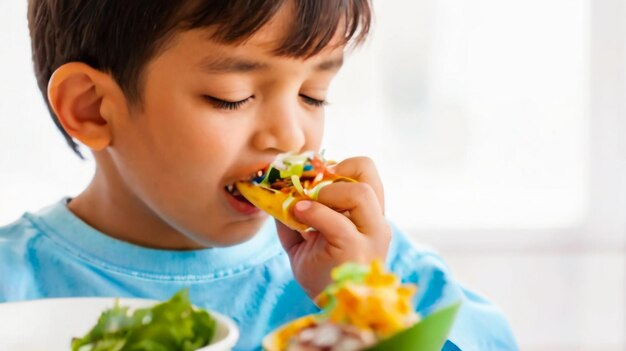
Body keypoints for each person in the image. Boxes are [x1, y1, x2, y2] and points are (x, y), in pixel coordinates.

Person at [0, 1, 518, 350]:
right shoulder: (14, 286)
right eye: (233, 96)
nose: (292, 136)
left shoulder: (376, 272)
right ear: (93, 109)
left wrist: (363, 307)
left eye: (314, 95)